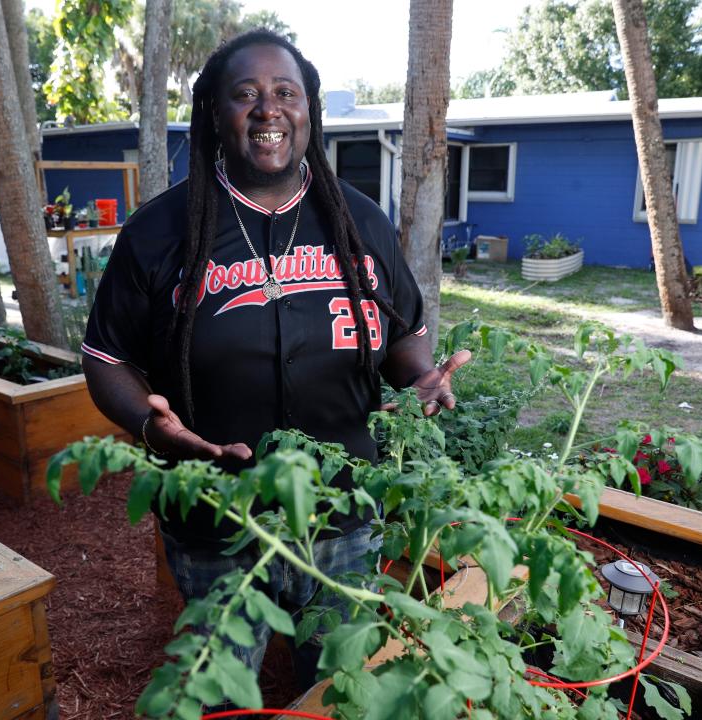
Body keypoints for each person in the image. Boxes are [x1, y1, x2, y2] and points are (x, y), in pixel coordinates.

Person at [81, 29, 470, 695]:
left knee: (338, 688)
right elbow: (107, 357)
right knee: (223, 693)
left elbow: (403, 330)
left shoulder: (360, 221)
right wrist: (152, 426)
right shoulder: (159, 231)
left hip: (345, 518)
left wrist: (418, 375)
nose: (268, 109)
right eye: (246, 94)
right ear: (214, 114)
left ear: (309, 110)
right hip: (218, 522)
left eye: (285, 92)